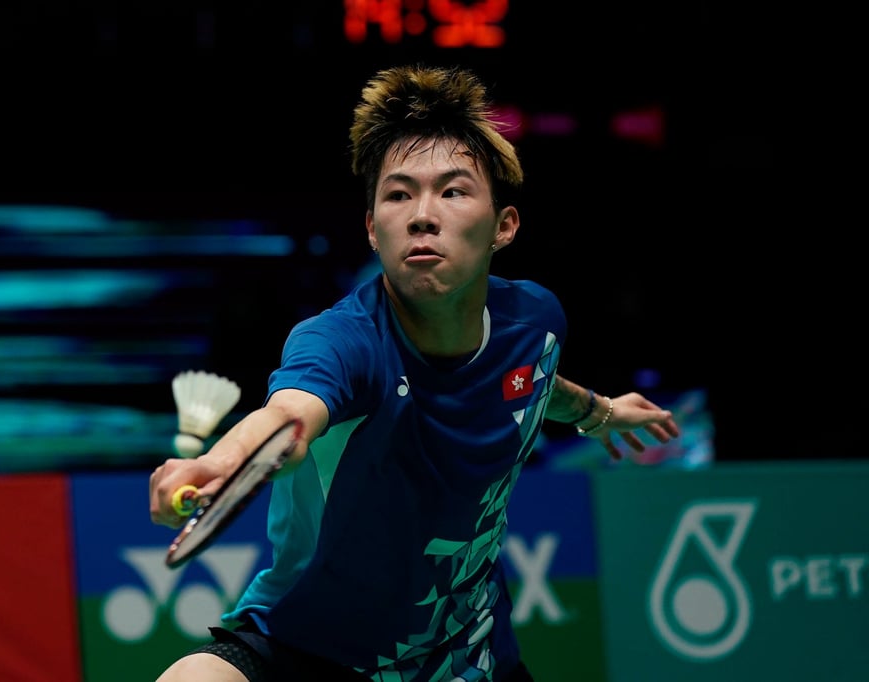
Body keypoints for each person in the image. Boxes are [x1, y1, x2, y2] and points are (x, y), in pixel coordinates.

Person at [149, 63, 680, 682]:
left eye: (453, 192)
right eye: (399, 195)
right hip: (312, 650)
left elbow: (528, 381)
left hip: (467, 660)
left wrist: (599, 412)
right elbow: (289, 417)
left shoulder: (534, 322)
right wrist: (221, 463)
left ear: (503, 226)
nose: (423, 215)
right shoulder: (342, 341)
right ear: (373, 230)